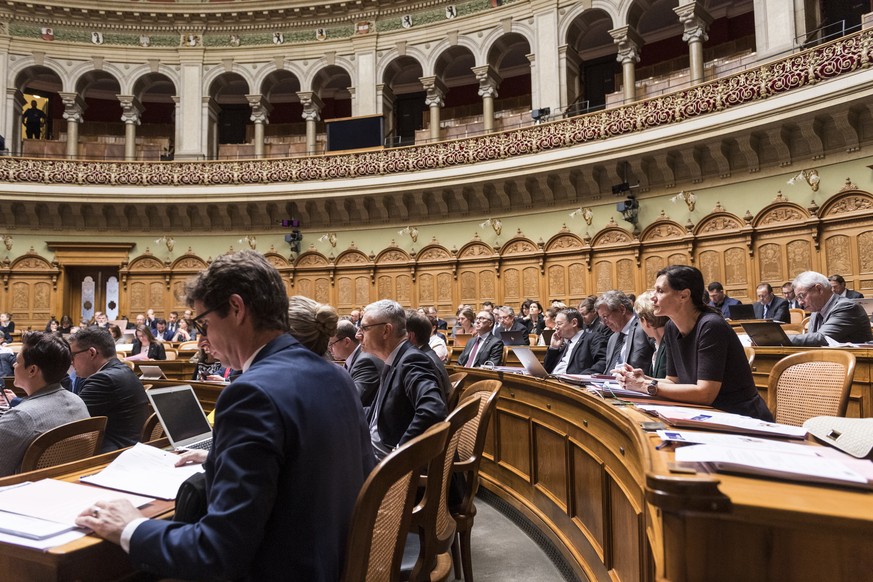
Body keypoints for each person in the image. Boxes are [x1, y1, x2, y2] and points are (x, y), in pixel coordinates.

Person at [76, 250, 374, 581]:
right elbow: (303, 465)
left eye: (204, 323)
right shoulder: (336, 376)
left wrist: (131, 527)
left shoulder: (251, 393)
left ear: (236, 308)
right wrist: (219, 456)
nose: (203, 339)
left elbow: (216, 553)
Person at [614, 265, 773, 420]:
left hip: (741, 418)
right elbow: (673, 381)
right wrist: (643, 379)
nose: (652, 297)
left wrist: (644, 386)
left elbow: (705, 394)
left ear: (684, 295)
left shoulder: (711, 326)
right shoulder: (671, 327)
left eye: (660, 291)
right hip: (707, 415)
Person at [357, 299, 446, 460]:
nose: (358, 334)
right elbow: (382, 412)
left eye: (364, 328)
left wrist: (398, 457)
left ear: (386, 331)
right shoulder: (394, 359)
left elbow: (433, 409)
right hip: (375, 450)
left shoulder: (411, 360)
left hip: (387, 462)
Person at [0, 332, 89, 477]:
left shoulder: (21, 417)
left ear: (32, 370)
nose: (14, 366)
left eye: (17, 361)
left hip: (22, 494)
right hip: (66, 486)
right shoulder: (77, 401)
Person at [69, 326, 149, 452]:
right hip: (130, 448)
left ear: (92, 353)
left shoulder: (103, 380)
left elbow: (69, 423)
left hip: (113, 457)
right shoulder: (124, 370)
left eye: (73, 355)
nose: (71, 362)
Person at [789, 271, 873, 346]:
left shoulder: (847, 307)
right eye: (797, 298)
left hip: (857, 361)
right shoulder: (816, 310)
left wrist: (780, 339)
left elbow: (821, 339)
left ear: (819, 289)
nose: (800, 303)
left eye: (801, 296)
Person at [596, 290, 654, 374]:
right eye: (602, 318)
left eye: (605, 316)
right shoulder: (613, 339)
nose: (604, 323)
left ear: (622, 309)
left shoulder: (644, 328)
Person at [329, 319, 384, 407]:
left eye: (332, 344)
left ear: (347, 342)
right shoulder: (354, 360)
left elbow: (352, 398)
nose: (329, 349)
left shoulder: (365, 361)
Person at [543, 308, 607, 375]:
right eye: (555, 324)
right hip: (553, 381)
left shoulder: (593, 338)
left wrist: (581, 378)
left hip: (572, 383)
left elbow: (603, 362)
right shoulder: (564, 344)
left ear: (574, 323)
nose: (556, 327)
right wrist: (553, 348)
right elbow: (546, 369)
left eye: (559, 324)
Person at [406, 309, 451, 402]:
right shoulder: (427, 353)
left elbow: (431, 406)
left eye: (400, 332)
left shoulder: (420, 362)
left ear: (410, 336)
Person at [633, 291, 669, 378]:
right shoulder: (658, 344)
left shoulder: (669, 345)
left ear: (645, 321)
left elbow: (672, 384)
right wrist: (642, 378)